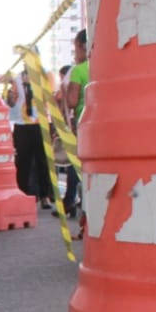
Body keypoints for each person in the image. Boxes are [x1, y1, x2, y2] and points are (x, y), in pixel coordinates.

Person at [6, 70, 53, 207]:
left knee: (43, 161)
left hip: (41, 122)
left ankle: (45, 196)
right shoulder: (17, 78)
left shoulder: (45, 75)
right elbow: (12, 103)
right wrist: (10, 94)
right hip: (22, 124)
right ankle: (23, 195)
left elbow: (50, 97)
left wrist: (33, 84)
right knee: (22, 162)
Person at [63, 29, 88, 217]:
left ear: (80, 46)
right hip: (104, 122)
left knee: (78, 163)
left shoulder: (78, 70)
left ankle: (72, 201)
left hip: (84, 122)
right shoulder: (104, 65)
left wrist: (63, 94)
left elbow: (72, 101)